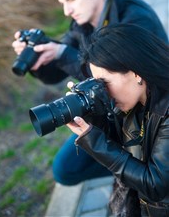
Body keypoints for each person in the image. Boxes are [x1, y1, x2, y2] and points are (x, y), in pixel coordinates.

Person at [12, 0, 168, 186]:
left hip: (149, 107)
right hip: (118, 104)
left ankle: (145, 173)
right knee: (65, 170)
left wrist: (63, 54)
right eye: (62, 2)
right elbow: (57, 71)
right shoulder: (82, 22)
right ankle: (134, 174)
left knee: (150, 175)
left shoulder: (135, 18)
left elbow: (140, 75)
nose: (66, 10)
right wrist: (41, 58)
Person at [66, 23, 169, 217]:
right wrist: (94, 119)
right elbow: (124, 148)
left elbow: (155, 185)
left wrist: (94, 142)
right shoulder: (138, 101)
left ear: (136, 72)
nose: (103, 91)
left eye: (104, 83)